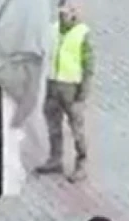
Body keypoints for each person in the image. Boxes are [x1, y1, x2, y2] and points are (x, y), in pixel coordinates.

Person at [35, 3, 95, 182]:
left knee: (77, 128)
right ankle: (55, 159)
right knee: (53, 125)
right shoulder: (52, 30)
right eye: (63, 9)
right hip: (53, 84)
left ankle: (81, 164)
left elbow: (88, 66)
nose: (65, 13)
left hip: (72, 88)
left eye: (70, 10)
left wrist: (83, 93)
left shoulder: (82, 33)